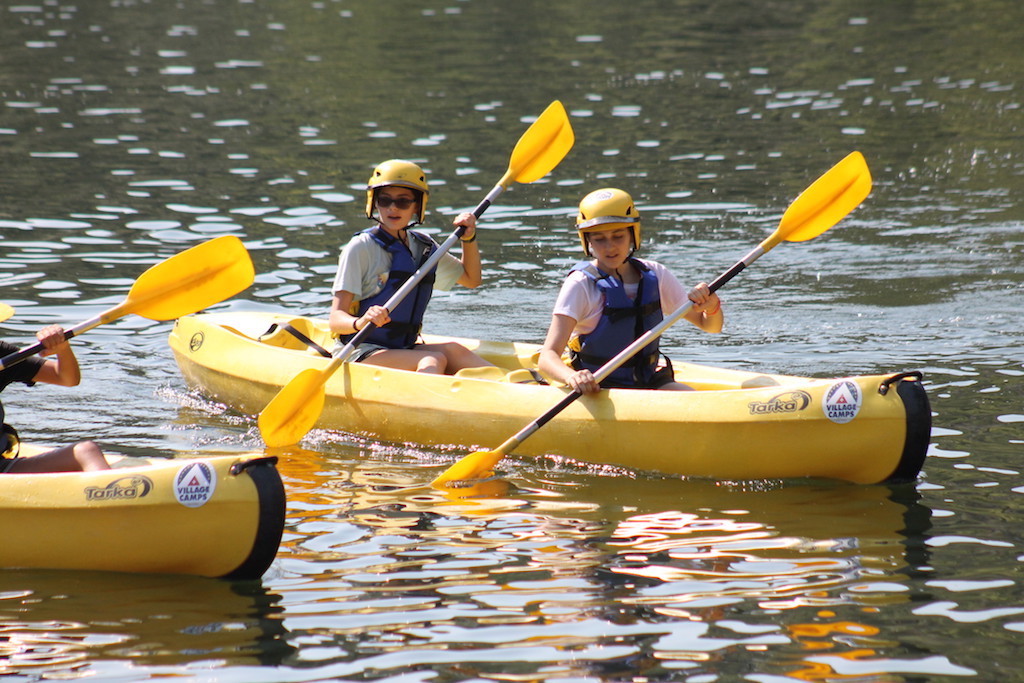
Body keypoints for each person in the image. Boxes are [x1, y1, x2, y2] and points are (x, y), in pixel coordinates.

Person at [538, 187, 723, 394]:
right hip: (596, 388)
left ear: (632, 235)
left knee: (692, 399)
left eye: (618, 236)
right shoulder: (581, 284)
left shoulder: (656, 274)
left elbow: (710, 327)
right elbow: (547, 357)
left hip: (647, 380)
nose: (610, 247)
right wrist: (572, 377)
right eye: (599, 239)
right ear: (587, 241)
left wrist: (712, 305)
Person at [328, 159, 494, 374]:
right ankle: (430, 404)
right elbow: (335, 319)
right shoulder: (360, 248)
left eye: (403, 202)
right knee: (431, 359)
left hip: (401, 347)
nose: (392, 208)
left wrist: (468, 238)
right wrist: (362, 321)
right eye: (384, 200)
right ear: (374, 202)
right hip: (359, 350)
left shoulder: (424, 248)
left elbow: (472, 280)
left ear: (417, 206)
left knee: (455, 351)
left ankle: (526, 387)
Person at [0, 320, 110, 472]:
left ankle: (112, 491)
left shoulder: (2, 355)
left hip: (3, 468)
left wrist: (62, 349)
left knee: (86, 451)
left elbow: (66, 378)